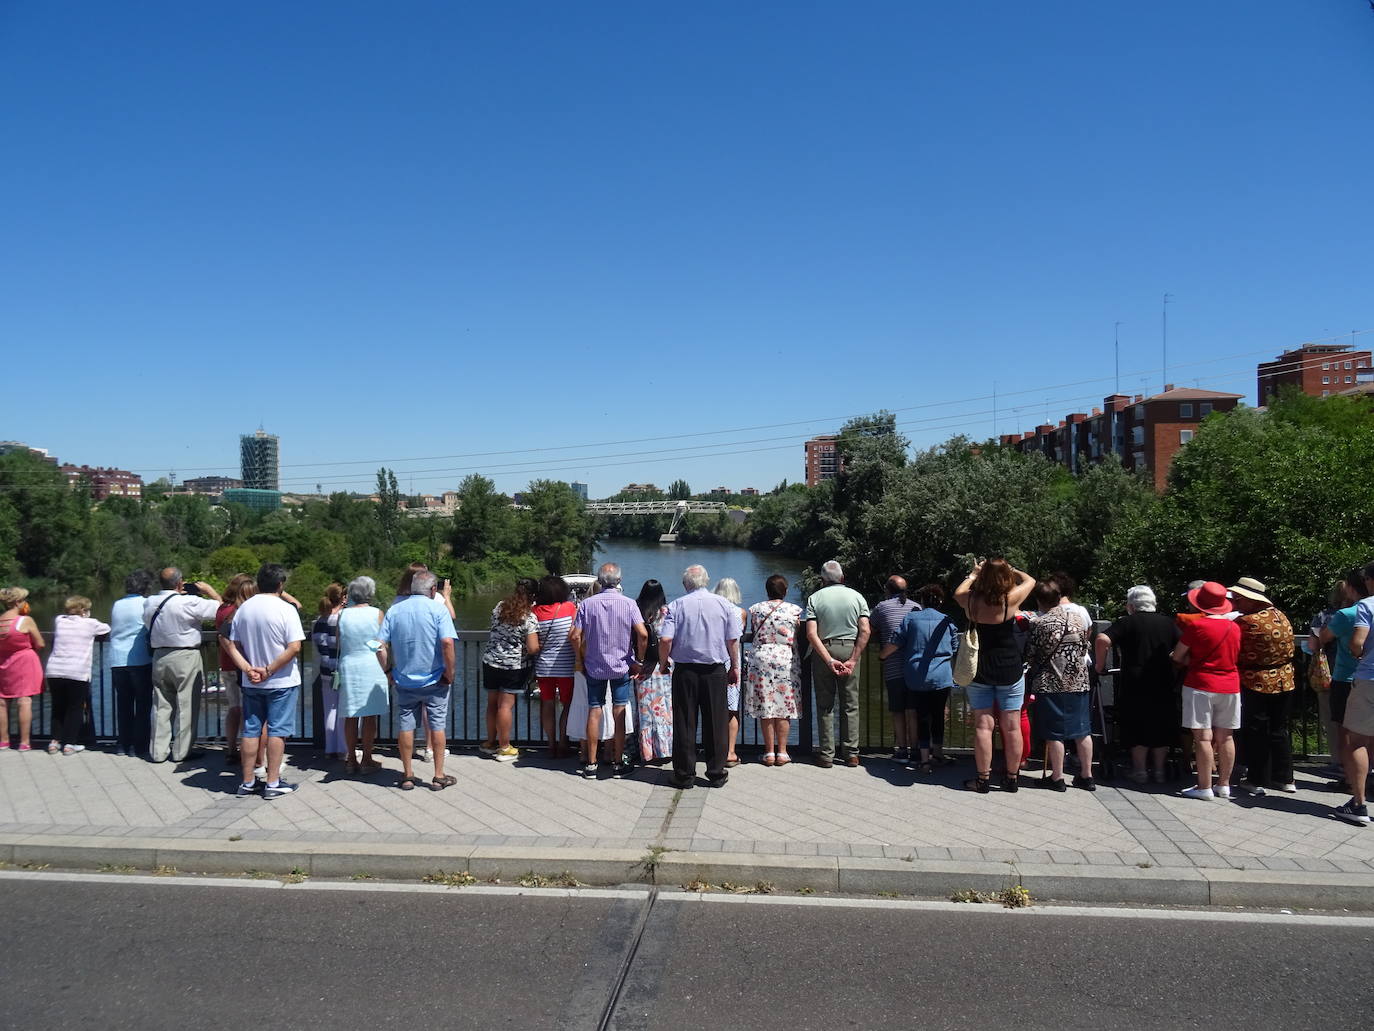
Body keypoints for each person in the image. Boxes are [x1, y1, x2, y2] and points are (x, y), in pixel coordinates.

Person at [954, 558, 1036, 792]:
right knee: (1012, 727)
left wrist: (973, 574)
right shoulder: (1010, 600)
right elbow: (1031, 580)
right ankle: (1011, 779)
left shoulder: (971, 601)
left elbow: (958, 591)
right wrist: (1013, 571)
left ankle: (982, 780)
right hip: (1009, 668)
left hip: (980, 668)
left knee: (983, 726)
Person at [224, 564, 305, 799]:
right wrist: (269, 670)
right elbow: (294, 647)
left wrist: (248, 669)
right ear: (281, 584)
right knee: (277, 731)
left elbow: (232, 645)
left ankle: (247, 781)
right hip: (281, 680)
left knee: (251, 731)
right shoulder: (286, 609)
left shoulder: (244, 609)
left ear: (259, 583)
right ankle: (273, 781)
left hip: (252, 682)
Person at [661, 564, 741, 788]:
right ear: (706, 581)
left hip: (685, 670)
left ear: (685, 583)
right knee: (716, 722)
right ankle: (716, 772)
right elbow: (733, 640)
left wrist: (663, 662)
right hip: (715, 670)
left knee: (685, 722)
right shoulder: (723, 604)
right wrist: (734, 667)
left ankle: (684, 774)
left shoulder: (676, 605)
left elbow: (666, 639)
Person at [378, 570, 457, 791]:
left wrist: (387, 671)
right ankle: (438, 775)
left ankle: (407, 775)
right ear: (433, 590)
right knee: (437, 725)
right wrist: (450, 673)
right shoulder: (438, 610)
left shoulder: (394, 610)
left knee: (406, 726)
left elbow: (379, 646)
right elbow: (448, 643)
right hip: (435, 680)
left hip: (404, 680)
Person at [1095, 585, 1180, 784]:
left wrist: (1100, 665)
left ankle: (1140, 771)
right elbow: (1184, 648)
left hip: (1135, 680)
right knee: (1161, 723)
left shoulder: (1127, 622)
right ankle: (1159, 771)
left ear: (1131, 605)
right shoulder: (1168, 623)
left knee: (1136, 723)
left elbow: (1102, 638)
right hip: (1163, 679)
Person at [569, 563, 647, 778]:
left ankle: (591, 764)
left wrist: (581, 658)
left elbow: (574, 636)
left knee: (594, 711)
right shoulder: (630, 604)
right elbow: (642, 634)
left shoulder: (587, 604)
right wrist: (638, 660)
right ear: (619, 581)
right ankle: (617, 762)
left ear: (600, 581)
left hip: (594, 666)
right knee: (619, 711)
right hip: (621, 666)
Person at [1171, 580, 1242, 801]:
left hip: (1200, 684)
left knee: (1202, 737)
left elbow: (1178, 656)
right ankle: (1224, 784)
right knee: (1226, 737)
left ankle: (1204, 786)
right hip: (1230, 684)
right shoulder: (1235, 627)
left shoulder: (1196, 627)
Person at [143, 567, 222, 764]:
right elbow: (222, 611)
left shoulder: (150, 602)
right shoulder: (190, 602)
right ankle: (181, 751)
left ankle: (157, 751)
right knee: (187, 704)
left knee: (161, 705)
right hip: (186, 655)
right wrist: (209, 591)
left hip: (160, 655)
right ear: (180, 583)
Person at [1230, 577, 1297, 797]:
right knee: (1279, 729)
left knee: (1256, 730)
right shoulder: (1280, 615)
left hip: (1256, 680)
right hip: (1285, 679)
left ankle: (1256, 779)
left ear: (1251, 599)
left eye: (1238, 598)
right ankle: (1284, 777)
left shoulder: (1247, 622)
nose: (1235, 602)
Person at [882, 583, 958, 773]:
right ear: (941, 602)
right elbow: (955, 646)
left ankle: (924, 761)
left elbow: (896, 641)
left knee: (922, 716)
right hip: (942, 675)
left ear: (922, 601)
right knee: (938, 715)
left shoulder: (911, 619)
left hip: (917, 676)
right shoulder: (947, 621)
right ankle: (938, 753)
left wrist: (882, 655)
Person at [1026, 580, 1094, 791]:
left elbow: (1031, 654)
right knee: (1083, 731)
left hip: (1051, 683)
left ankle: (1057, 778)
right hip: (1079, 682)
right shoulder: (1078, 618)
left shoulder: (1039, 623)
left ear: (1039, 600)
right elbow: (1085, 647)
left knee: (1054, 732)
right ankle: (1087, 776)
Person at [804, 560, 871, 769]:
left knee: (825, 705)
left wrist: (828, 659)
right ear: (842, 578)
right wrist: (853, 658)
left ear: (823, 580)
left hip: (824, 651)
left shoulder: (815, 598)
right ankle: (851, 754)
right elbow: (866, 630)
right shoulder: (857, 597)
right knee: (850, 704)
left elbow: (811, 634)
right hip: (850, 648)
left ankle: (826, 755)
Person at [1313, 569, 1366, 788]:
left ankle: (1350, 779)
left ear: (1352, 589)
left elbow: (1321, 638)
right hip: (1368, 678)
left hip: (1345, 677)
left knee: (1346, 733)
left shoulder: (1347, 615)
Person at [744, 574, 803, 767]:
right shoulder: (794, 610)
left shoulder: (756, 609)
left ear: (767, 591)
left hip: (762, 658)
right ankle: (783, 753)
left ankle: (769, 752)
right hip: (785, 658)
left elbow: (754, 631)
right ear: (785, 591)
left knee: (766, 705)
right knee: (784, 705)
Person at [479, 579, 540, 763]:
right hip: (512, 666)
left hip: (490, 661)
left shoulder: (499, 607)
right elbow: (532, 648)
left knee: (492, 704)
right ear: (533, 596)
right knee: (505, 706)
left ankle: (490, 742)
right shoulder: (528, 617)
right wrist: (540, 645)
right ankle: (504, 747)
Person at [44, 596, 111, 756]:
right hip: (77, 671)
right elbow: (106, 628)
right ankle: (69, 744)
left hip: (54, 670)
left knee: (58, 707)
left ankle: (54, 742)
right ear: (83, 610)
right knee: (75, 708)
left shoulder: (60, 620)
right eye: (87, 609)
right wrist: (88, 619)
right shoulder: (90, 623)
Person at [1334, 561, 1374, 825]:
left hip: (1369, 678)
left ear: (1369, 580)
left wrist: (1358, 654)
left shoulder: (1366, 605)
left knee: (1357, 741)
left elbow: (1357, 641)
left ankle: (1359, 804)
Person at [336, 576, 388, 774]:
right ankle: (367, 759)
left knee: (350, 715)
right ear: (370, 594)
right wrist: (387, 667)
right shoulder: (377, 614)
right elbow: (380, 644)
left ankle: (351, 759)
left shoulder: (343, 615)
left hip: (349, 665)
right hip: (371, 665)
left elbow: (339, 643)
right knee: (369, 716)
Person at [217, 574, 266, 774]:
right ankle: (258, 760)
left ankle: (231, 749)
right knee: (256, 718)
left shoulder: (223, 611)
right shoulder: (249, 614)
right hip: (251, 670)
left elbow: (222, 636)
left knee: (234, 710)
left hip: (229, 667)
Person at [870, 575, 920, 762]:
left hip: (893, 667)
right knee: (913, 710)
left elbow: (870, 628)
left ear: (887, 590)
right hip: (915, 668)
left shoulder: (881, 607)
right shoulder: (917, 607)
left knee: (897, 711)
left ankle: (901, 750)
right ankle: (916, 751)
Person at [107, 570, 154, 757]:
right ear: (145, 587)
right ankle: (139, 745)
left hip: (117, 660)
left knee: (124, 704)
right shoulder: (145, 603)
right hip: (139, 659)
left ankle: (122, 744)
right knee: (143, 704)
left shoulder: (117, 604)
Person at [533, 574, 577, 758]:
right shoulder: (568, 608)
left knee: (547, 705)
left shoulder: (534, 612)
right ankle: (563, 743)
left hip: (543, 667)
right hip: (567, 666)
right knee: (567, 705)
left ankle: (550, 745)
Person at [633, 579, 673, 763]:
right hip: (662, 666)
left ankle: (645, 751)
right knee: (663, 709)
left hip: (642, 665)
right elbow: (670, 638)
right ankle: (664, 749)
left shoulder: (636, 609)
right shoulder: (665, 611)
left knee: (645, 710)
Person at [0, 587, 43, 751]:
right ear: (17, 602)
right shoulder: (25, 621)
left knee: (2, 701)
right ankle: (24, 742)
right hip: (24, 662)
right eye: (24, 600)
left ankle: (3, 741)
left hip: (3, 663)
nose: (26, 603)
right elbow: (40, 643)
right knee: (24, 700)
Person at [713, 577, 748, 767]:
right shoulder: (740, 613)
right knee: (732, 709)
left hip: (714, 662)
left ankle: (714, 749)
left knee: (714, 708)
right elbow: (741, 635)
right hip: (733, 663)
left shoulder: (713, 611)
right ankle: (730, 751)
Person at [312, 583, 346, 760]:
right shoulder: (341, 619)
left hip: (325, 670)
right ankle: (343, 748)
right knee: (344, 710)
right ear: (343, 598)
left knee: (329, 709)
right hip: (341, 670)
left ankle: (330, 748)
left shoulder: (319, 621)